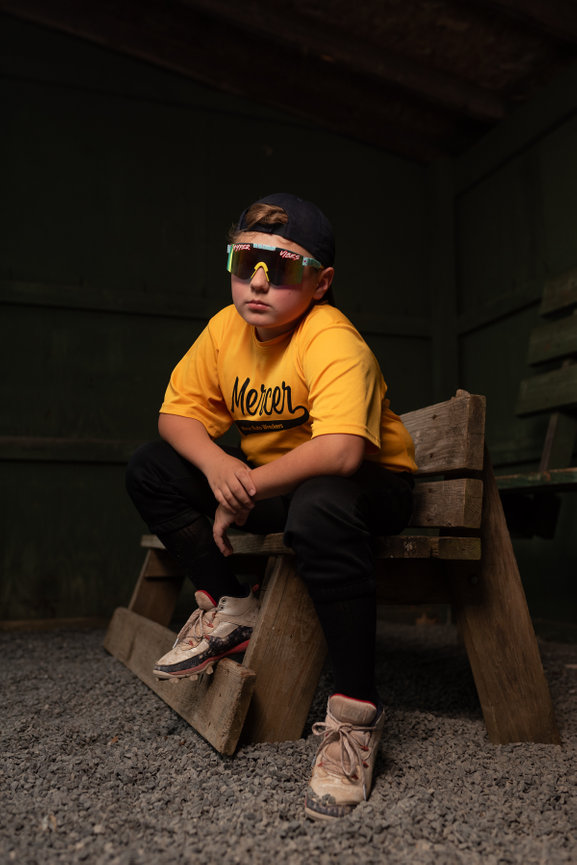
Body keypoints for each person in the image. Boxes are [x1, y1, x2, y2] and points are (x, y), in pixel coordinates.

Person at [126, 192, 417, 821]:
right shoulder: (226, 329)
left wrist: (247, 489)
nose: (257, 283)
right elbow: (176, 415)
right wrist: (220, 466)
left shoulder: (333, 338)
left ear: (321, 283)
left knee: (318, 506)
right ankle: (235, 606)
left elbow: (340, 453)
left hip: (371, 484)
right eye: (244, 262)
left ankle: (354, 716)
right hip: (282, 481)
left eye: (281, 268)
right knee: (152, 467)